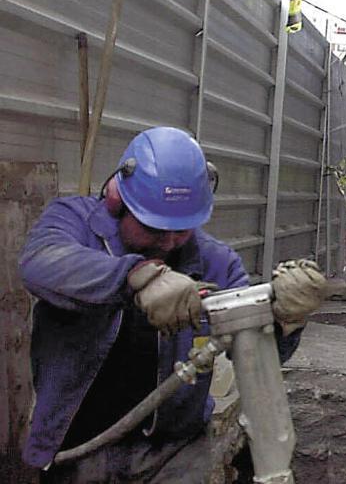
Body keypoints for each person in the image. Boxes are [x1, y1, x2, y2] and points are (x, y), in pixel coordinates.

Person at [19, 127, 327, 482]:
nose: (168, 242)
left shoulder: (217, 263)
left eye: (181, 230)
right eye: (153, 228)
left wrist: (286, 321)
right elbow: (40, 263)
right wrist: (134, 275)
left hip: (175, 452)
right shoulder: (73, 222)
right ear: (118, 201)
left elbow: (254, 351)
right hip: (80, 446)